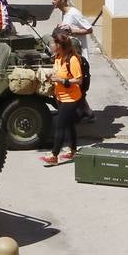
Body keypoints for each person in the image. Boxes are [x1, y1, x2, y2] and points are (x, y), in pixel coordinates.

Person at [43, 31, 84, 166]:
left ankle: (54, 155)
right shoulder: (58, 57)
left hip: (70, 99)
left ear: (60, 45)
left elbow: (78, 80)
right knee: (69, 124)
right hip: (60, 97)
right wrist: (51, 76)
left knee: (60, 126)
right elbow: (57, 72)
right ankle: (73, 151)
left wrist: (62, 80)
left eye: (54, 43)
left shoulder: (72, 60)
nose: (52, 45)